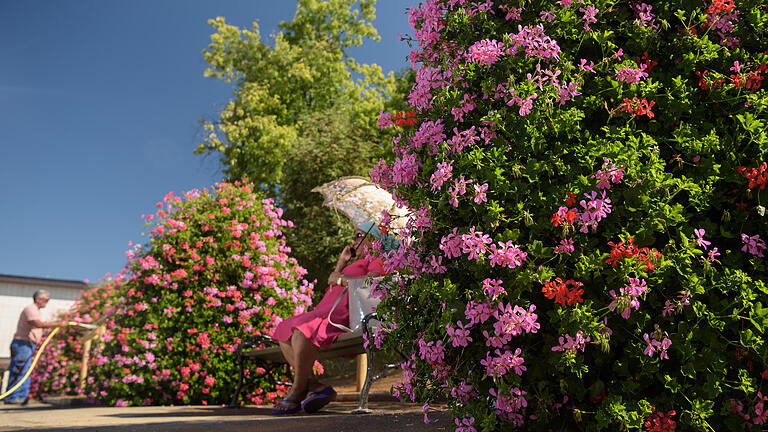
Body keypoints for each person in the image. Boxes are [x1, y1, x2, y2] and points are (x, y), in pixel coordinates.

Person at [270, 221, 393, 414]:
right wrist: (342, 263)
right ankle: (314, 385)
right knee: (284, 329)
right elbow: (334, 281)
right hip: (326, 309)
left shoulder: (379, 258)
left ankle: (298, 389)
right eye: (354, 236)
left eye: (359, 236)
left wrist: (337, 278)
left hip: (344, 313)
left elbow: (369, 285)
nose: (354, 241)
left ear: (373, 239)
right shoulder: (354, 262)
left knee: (303, 330)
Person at [4, 290, 62, 405]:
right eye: (46, 300)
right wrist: (57, 324)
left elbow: (36, 327)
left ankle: (22, 397)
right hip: (22, 344)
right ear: (38, 299)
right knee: (19, 370)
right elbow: (36, 323)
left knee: (25, 371)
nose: (47, 302)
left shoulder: (35, 311)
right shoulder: (31, 309)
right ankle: (13, 398)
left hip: (27, 345)